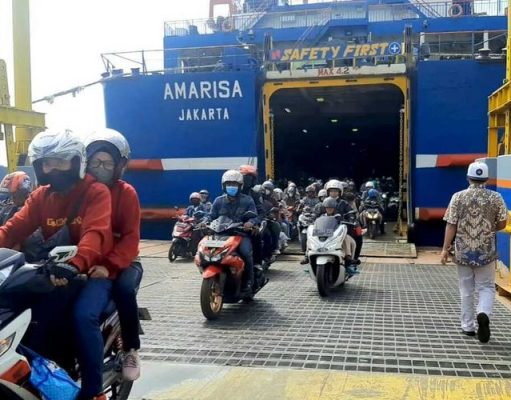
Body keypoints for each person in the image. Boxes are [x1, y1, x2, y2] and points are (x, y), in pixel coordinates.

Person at [0, 129, 113, 400]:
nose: (53, 169)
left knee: (82, 317)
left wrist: (76, 262)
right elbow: (13, 229)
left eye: (60, 162)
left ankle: (93, 391)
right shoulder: (41, 196)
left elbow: (95, 233)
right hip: (52, 267)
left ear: (76, 162)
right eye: (47, 163)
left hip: (92, 270)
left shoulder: (96, 192)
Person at [83, 128, 143, 385]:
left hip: (125, 262)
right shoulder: (81, 191)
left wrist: (109, 266)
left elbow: (131, 238)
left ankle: (131, 350)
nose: (101, 168)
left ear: (120, 165)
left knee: (124, 290)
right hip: (91, 261)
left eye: (108, 163)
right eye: (96, 162)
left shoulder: (126, 193)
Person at [441, 162, 507, 343]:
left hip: (463, 251)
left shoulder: (458, 197)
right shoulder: (496, 198)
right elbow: (502, 223)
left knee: (466, 289)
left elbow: (451, 224)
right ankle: (483, 312)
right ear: (487, 179)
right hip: (486, 252)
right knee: (486, 287)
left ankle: (468, 326)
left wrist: (445, 249)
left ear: (468, 178)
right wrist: (488, 229)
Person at [207, 170, 258, 295]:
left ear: (240, 186)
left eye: (234, 184)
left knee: (246, 253)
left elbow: (254, 217)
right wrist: (204, 222)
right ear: (224, 186)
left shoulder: (248, 200)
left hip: (240, 235)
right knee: (208, 253)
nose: (231, 187)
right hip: (220, 234)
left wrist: (250, 223)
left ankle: (248, 282)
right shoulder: (218, 201)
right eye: (229, 184)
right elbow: (211, 216)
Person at [321, 197, 358, 274]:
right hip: (324, 235)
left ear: (334, 208)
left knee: (350, 240)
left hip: (336, 235)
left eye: (331, 208)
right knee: (311, 236)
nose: (329, 209)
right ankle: (307, 257)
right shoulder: (321, 217)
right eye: (328, 208)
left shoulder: (338, 216)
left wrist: (349, 221)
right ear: (325, 208)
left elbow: (343, 224)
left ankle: (348, 257)